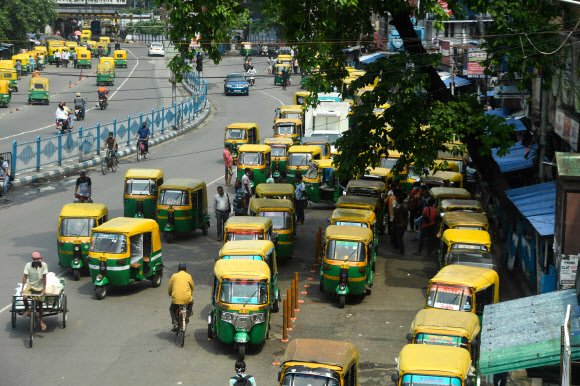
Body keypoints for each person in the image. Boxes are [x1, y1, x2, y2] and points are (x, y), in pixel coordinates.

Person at [21, 252, 48, 331]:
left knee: (40, 305)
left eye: (37, 259)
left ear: (40, 259)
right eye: (34, 259)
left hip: (39, 287)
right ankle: (27, 309)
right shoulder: (28, 265)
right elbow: (25, 277)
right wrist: (22, 289)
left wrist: (44, 289)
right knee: (25, 297)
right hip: (30, 286)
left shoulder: (44, 265)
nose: (36, 261)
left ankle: (41, 321)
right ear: (32, 259)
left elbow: (44, 277)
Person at [168, 263, 194, 332]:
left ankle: (175, 323)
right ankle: (187, 317)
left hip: (176, 299)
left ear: (178, 269)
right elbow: (192, 287)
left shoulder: (174, 276)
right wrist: (190, 294)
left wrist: (170, 293)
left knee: (172, 309)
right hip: (187, 298)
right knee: (191, 303)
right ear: (185, 269)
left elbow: (170, 287)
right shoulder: (188, 276)